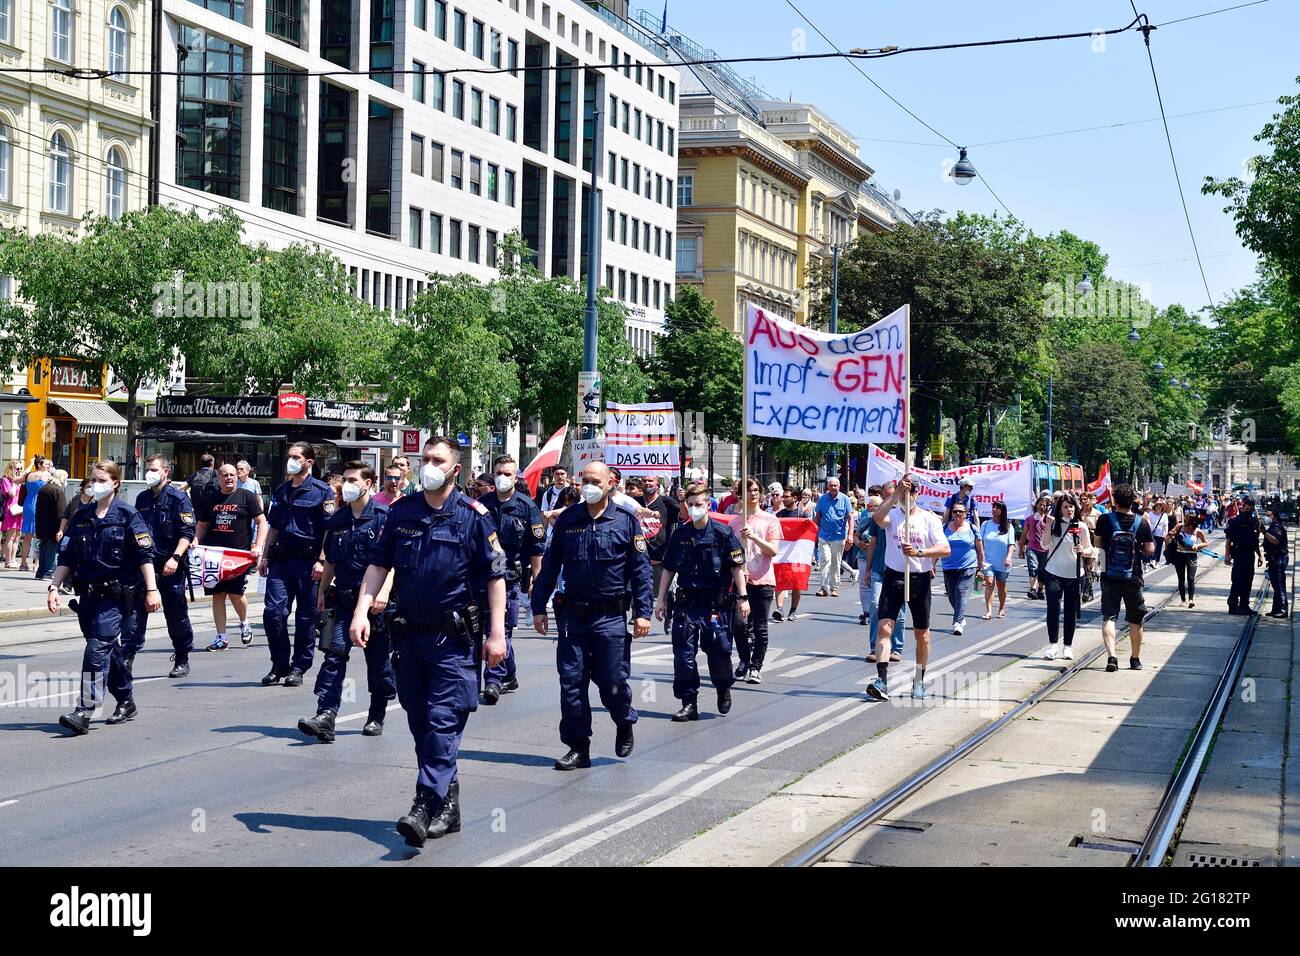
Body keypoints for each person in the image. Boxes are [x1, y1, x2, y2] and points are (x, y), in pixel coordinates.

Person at [349, 436, 507, 847]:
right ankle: (448, 803)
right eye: (425, 459)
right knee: (422, 726)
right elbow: (378, 565)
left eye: (437, 460)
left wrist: (497, 634)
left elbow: (494, 578)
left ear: (456, 469)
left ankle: (423, 803)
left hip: (453, 641)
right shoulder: (401, 512)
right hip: (410, 637)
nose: (428, 465)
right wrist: (360, 611)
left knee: (442, 722)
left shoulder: (474, 516)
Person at [531, 461, 653, 772]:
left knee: (611, 682)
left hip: (610, 617)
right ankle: (577, 747)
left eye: (594, 480)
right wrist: (537, 606)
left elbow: (641, 573)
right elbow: (550, 566)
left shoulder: (626, 522)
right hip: (573, 615)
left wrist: (643, 613)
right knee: (571, 682)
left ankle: (623, 719)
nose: (588, 485)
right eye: (584, 479)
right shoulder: (568, 519)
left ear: (611, 482)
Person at [47, 461, 163, 734]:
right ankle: (126, 699)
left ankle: (84, 710)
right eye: (93, 480)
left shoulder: (127, 515)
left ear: (115, 484)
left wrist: (152, 589)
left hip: (117, 595)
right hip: (88, 596)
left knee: (96, 649)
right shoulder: (82, 516)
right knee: (107, 651)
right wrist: (53, 587)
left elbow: (145, 555)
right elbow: (67, 556)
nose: (95, 484)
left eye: (101, 480)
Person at [299, 461, 396, 743]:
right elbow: (330, 557)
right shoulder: (338, 519)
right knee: (334, 654)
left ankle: (377, 713)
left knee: (377, 663)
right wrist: (321, 590)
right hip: (342, 598)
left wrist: (384, 591)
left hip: (375, 605)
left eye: (354, 480)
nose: (348, 485)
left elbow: (393, 562)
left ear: (368, 484)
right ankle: (325, 715)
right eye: (346, 479)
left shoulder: (384, 516)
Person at [655, 482, 749, 720]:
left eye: (699, 504)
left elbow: (737, 567)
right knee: (683, 656)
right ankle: (689, 703)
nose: (695, 508)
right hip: (687, 605)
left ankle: (723, 686)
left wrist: (743, 597)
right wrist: (661, 599)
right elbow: (668, 568)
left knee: (718, 653)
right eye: (691, 504)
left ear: (708, 505)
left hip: (715, 605)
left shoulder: (722, 533)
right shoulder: (680, 535)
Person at [868, 476, 950, 700]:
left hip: (919, 579)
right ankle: (881, 681)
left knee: (922, 634)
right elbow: (877, 518)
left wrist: (920, 552)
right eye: (903, 493)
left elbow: (945, 548)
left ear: (917, 494)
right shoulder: (892, 514)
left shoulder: (929, 519)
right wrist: (895, 494)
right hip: (893, 576)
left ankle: (919, 680)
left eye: (910, 493)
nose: (907, 497)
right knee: (885, 628)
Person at [259, 442, 334, 686]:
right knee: (273, 613)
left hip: (308, 562)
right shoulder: (281, 491)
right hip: (281, 560)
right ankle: (279, 664)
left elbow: (328, 530)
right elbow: (274, 527)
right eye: (289, 456)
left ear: (309, 462)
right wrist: (265, 556)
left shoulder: (323, 492)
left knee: (305, 618)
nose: (290, 460)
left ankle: (299, 667)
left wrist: (322, 560)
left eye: (296, 457)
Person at [477, 454, 546, 704]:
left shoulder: (527, 507)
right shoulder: (481, 504)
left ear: (515, 477)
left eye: (508, 473)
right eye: (499, 473)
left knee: (502, 628)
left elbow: (537, 549)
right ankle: (510, 673)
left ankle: (493, 680)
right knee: (487, 627)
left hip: (510, 578)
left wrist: (537, 583)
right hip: (482, 577)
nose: (503, 477)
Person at [134, 456, 197, 678]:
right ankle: (127, 657)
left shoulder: (178, 498)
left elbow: (187, 533)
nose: (149, 473)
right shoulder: (142, 498)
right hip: (145, 564)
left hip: (170, 564)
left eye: (153, 469)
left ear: (165, 472)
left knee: (176, 613)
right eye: (147, 469)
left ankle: (182, 657)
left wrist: (176, 558)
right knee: (135, 612)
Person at [196, 463, 267, 650]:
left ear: (237, 477)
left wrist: (258, 546)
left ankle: (244, 622)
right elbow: (202, 525)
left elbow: (262, 522)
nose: (229, 478)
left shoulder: (247, 496)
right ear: (218, 477)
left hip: (238, 556)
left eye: (233, 475)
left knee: (236, 594)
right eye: (225, 475)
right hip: (214, 556)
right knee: (218, 596)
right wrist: (195, 541)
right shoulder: (211, 498)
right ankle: (221, 637)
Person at [1095, 483, 1156, 672]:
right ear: (1133, 501)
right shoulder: (1141, 522)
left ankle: (1112, 657)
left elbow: (1099, 547)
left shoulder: (1104, 520)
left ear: (1114, 499)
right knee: (1136, 619)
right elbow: (1150, 550)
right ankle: (1135, 659)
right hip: (1133, 576)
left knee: (1109, 617)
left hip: (1109, 575)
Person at [725, 477, 780, 684]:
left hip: (764, 579)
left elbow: (773, 550)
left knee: (760, 626)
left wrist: (755, 538)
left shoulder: (770, 520)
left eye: (756, 490)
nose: (753, 493)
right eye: (748, 490)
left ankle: (756, 666)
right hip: (742, 581)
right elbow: (729, 554)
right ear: (740, 494)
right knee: (739, 625)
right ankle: (744, 659)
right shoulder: (734, 523)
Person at [1041, 494, 1093, 660]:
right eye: (1065, 506)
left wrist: (1082, 551)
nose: (1069, 510)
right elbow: (1044, 545)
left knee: (1071, 611)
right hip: (1054, 572)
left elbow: (1090, 549)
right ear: (1059, 509)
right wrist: (1048, 526)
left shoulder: (1081, 526)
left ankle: (1068, 646)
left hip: (1075, 574)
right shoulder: (1054, 524)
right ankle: (1053, 645)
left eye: (1071, 506)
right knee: (1053, 609)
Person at [640, 475, 678, 635]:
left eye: (651, 481)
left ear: (657, 484)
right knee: (642, 592)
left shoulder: (667, 502)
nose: (648, 483)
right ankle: (641, 618)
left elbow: (683, 515)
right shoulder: (635, 502)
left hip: (662, 559)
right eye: (645, 481)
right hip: (641, 558)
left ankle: (669, 617)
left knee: (667, 593)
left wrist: (682, 500)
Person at [941, 499, 984, 635]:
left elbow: (980, 549)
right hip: (948, 567)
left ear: (966, 514)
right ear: (951, 513)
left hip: (968, 566)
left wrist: (981, 565)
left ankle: (957, 622)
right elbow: (939, 546)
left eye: (961, 511)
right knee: (952, 596)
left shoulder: (972, 528)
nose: (958, 513)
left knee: (961, 591)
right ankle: (960, 615)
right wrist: (932, 564)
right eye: (955, 511)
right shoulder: (944, 528)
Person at [814, 477, 853, 597]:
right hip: (824, 534)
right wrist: (815, 532)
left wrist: (850, 535)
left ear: (839, 486)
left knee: (836, 562)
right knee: (825, 559)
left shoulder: (845, 499)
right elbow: (818, 517)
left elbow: (850, 518)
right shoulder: (822, 499)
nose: (833, 487)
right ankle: (824, 587)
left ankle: (834, 587)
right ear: (828, 487)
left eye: (835, 485)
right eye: (831, 485)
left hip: (839, 536)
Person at [1224, 497, 1262, 616]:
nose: (1248, 511)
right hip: (1239, 553)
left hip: (1250, 554)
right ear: (1243, 507)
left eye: (1250, 509)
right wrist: (1227, 554)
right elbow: (1229, 539)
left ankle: (1244, 605)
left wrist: (1260, 555)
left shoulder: (1254, 521)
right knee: (1237, 580)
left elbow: (1255, 540)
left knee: (1248, 580)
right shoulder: (1235, 521)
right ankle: (1233, 605)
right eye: (1246, 509)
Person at [772, 491, 805, 622]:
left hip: (798, 554)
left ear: (794, 498)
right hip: (782, 554)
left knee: (797, 582)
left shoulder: (802, 514)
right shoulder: (779, 515)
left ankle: (793, 610)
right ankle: (779, 609)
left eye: (787, 497)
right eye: (783, 497)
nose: (783, 499)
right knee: (780, 581)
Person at [1166, 511, 1210, 608]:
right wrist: (1171, 534)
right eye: (1186, 518)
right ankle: (1183, 600)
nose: (1186, 521)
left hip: (1192, 556)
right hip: (1179, 555)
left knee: (1191, 578)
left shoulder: (1197, 531)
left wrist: (1197, 545)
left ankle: (1191, 600)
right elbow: (1170, 535)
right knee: (1181, 579)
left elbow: (1206, 543)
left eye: (1189, 519)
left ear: (1194, 521)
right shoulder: (1180, 527)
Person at [979, 500, 1015, 619]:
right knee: (989, 583)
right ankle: (988, 611)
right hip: (988, 561)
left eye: (997, 508)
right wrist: (981, 558)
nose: (994, 510)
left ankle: (1001, 607)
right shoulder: (985, 524)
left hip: (1003, 561)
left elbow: (1011, 544)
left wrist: (1009, 557)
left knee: (1001, 585)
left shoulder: (1008, 526)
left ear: (1002, 511)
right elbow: (980, 542)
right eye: (993, 507)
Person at [34, 469, 68, 581]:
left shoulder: (44, 488)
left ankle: (41, 571)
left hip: (42, 524)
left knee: (44, 548)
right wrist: (62, 528)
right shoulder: (58, 490)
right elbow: (61, 511)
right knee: (51, 549)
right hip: (53, 526)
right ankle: (48, 571)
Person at [20, 457, 51, 572]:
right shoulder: (45, 475)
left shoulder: (29, 475)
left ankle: (23, 564)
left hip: (28, 504)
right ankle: (36, 563)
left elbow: (17, 480)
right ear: (39, 465)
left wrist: (29, 465)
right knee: (39, 536)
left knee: (27, 536)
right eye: (46, 464)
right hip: (39, 505)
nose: (48, 466)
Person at [1018, 493, 1052, 600]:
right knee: (1033, 567)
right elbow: (1024, 535)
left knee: (1042, 570)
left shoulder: (1049, 520)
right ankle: (1032, 589)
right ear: (1036, 505)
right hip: (1032, 548)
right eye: (1040, 504)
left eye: (1044, 505)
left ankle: (1040, 590)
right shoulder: (1029, 519)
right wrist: (1021, 549)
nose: (1042, 507)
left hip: (1045, 549)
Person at [1263, 508, 1289, 618]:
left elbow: (1276, 540)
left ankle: (1283, 609)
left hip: (1278, 558)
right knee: (1275, 585)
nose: (1266, 517)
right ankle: (1275, 609)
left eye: (1268, 515)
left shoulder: (1277, 527)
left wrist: (1264, 533)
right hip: (1273, 559)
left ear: (1274, 516)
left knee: (1279, 585)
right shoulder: (1273, 526)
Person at [2, 459, 24, 568]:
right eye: (17, 468)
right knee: (10, 536)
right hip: (11, 510)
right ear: (11, 468)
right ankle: (8, 561)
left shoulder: (19, 480)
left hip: (20, 509)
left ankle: (14, 559)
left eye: (21, 468)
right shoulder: (6, 480)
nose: (19, 470)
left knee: (17, 536)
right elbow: (11, 494)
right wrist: (15, 482)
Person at [185, 454, 220, 518]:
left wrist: (188, 502)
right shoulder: (217, 474)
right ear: (212, 464)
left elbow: (181, 488)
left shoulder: (195, 475)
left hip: (197, 511)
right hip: (213, 511)